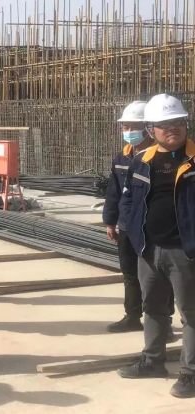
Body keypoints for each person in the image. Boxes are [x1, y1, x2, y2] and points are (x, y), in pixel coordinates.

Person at [118, 94, 195, 398]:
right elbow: (128, 198)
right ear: (151, 129)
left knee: (191, 314)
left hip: (186, 253)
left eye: (178, 122)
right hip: (149, 250)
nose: (172, 128)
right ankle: (153, 361)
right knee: (152, 308)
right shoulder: (142, 160)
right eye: (165, 124)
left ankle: (190, 374)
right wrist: (133, 230)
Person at [103, 101, 175, 337]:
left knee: (160, 276)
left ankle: (164, 322)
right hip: (127, 226)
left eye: (133, 127)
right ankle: (132, 315)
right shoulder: (121, 158)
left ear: (148, 128)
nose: (128, 131)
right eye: (125, 127)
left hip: (152, 228)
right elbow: (114, 192)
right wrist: (110, 221)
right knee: (130, 274)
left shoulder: (162, 158)